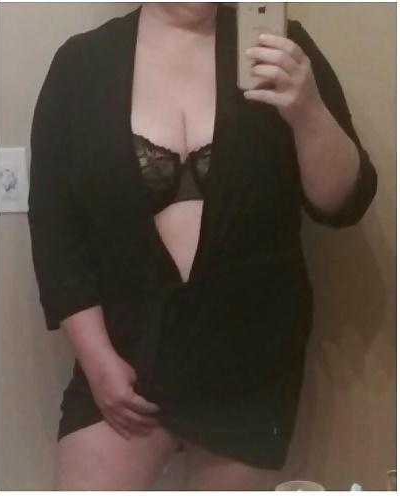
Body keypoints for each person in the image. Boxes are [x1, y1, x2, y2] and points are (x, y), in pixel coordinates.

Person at [27, 2, 377, 491]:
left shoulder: (280, 45)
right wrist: (97, 359)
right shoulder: (81, 65)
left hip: (249, 354)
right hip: (127, 346)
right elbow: (55, 229)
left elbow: (341, 204)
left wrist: (308, 110)